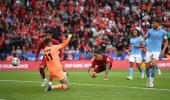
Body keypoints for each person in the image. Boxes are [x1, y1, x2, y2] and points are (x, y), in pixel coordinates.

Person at [144, 18, 168, 88]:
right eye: (152, 23)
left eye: (154, 23)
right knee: (147, 67)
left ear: (158, 23)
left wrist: (163, 50)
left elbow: (166, 41)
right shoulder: (149, 31)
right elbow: (145, 38)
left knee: (154, 65)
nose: (152, 25)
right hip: (149, 50)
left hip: (157, 51)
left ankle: (151, 81)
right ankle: (148, 79)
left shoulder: (163, 32)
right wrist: (142, 42)